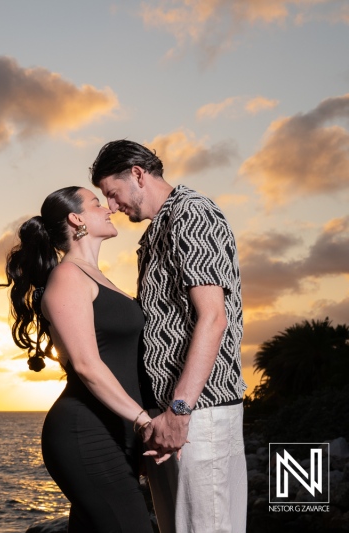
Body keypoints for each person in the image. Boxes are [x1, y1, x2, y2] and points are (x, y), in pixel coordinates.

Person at [90, 139, 248, 533]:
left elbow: (213, 318)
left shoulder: (191, 214)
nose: (112, 205)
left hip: (201, 410)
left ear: (138, 175)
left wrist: (180, 410)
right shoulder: (157, 230)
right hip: (175, 414)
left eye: (112, 193)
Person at [0, 186, 162, 532]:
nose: (109, 209)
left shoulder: (98, 277)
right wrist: (144, 422)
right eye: (97, 203)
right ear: (76, 218)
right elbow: (87, 365)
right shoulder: (68, 277)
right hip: (86, 432)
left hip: (117, 432)